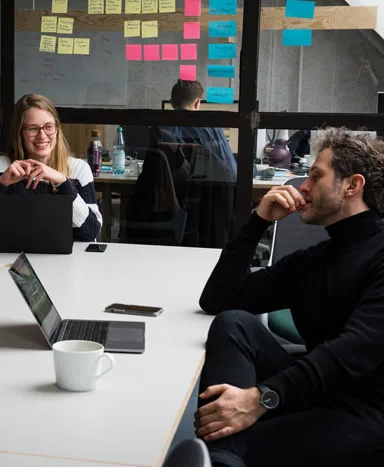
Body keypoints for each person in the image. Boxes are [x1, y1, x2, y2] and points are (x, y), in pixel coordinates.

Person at [195, 127, 384, 467]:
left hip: (369, 414)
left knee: (246, 443)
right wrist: (258, 221)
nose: (303, 187)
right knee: (234, 323)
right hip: (319, 392)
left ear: (353, 185)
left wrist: (261, 399)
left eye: (315, 176)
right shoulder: (317, 259)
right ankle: (223, 455)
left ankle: (223, 455)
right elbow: (219, 299)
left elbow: (354, 351)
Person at [0, 94, 102, 241]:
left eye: (48, 127)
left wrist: (62, 182)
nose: (42, 135)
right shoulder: (0, 167)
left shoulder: (78, 169)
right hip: (7, 258)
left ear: (57, 129)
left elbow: (91, 231)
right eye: (33, 129)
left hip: (66, 260)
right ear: (20, 132)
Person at [126, 80, 237, 248]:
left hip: (164, 209)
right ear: (198, 102)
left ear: (171, 102)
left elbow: (149, 176)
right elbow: (231, 172)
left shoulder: (160, 129)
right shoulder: (211, 127)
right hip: (205, 215)